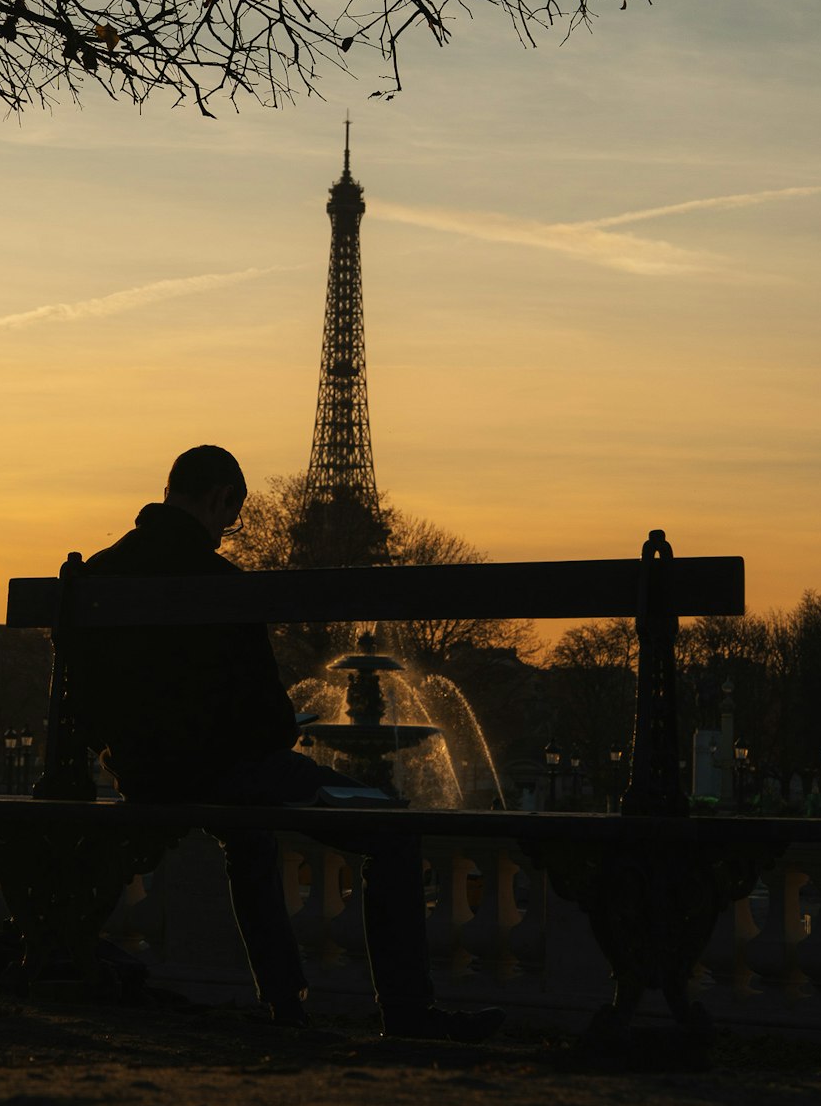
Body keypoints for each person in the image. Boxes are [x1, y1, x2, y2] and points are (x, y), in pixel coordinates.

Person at [66, 444, 502, 1043]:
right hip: (224, 770)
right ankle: (403, 1011)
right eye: (230, 517)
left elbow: (81, 697)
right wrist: (277, 735)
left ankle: (288, 1004)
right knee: (394, 834)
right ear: (220, 497)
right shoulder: (221, 583)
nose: (226, 533)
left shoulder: (98, 571)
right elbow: (266, 715)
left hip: (144, 773)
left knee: (249, 836)